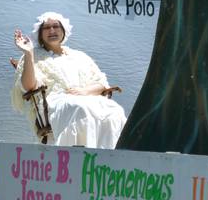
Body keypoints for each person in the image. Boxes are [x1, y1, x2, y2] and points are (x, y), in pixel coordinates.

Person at [10, 11, 126, 149]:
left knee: (114, 110)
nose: (52, 30)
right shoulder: (34, 56)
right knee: (79, 108)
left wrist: (84, 91)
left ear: (63, 30)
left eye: (56, 26)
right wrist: (28, 53)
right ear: (40, 33)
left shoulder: (79, 56)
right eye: (46, 28)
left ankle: (109, 156)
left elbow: (101, 83)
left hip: (85, 97)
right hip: (53, 101)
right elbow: (28, 87)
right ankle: (78, 157)